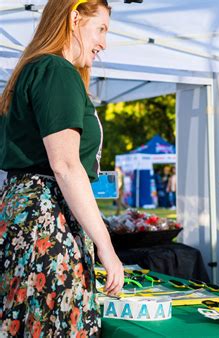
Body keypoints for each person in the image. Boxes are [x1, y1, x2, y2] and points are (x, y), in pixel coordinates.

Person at [0, 0, 124, 336]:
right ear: (73, 18)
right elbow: (67, 166)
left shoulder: (34, 70)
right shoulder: (57, 71)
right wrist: (107, 248)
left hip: (28, 213)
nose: (103, 43)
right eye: (100, 28)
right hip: (46, 219)